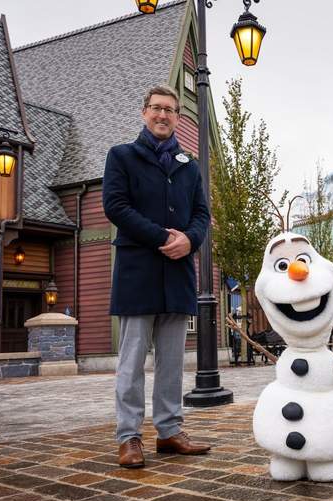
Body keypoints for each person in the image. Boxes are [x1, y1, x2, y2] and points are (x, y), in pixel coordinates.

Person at [103, 85, 212, 468]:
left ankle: (169, 432)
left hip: (178, 273)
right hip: (138, 273)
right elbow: (115, 206)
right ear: (143, 112)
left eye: (170, 110)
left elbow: (201, 214)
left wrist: (190, 240)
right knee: (132, 361)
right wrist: (163, 237)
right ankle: (129, 437)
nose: (163, 115)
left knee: (171, 362)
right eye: (156, 108)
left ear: (178, 117)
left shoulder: (189, 165)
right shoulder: (122, 156)